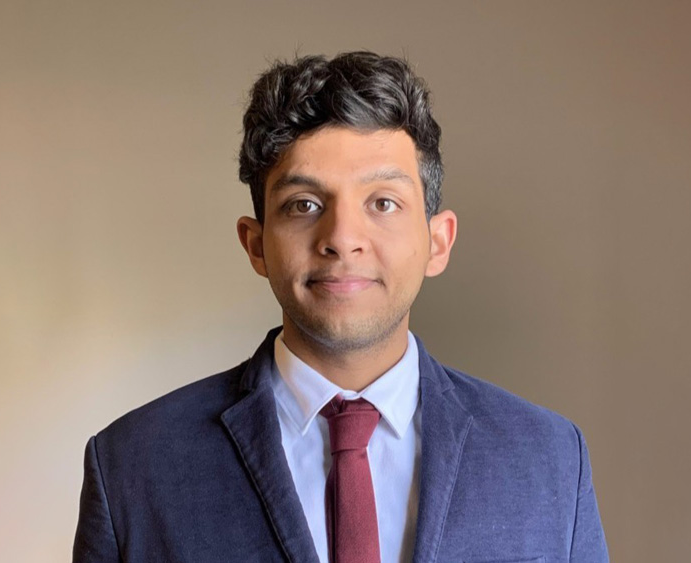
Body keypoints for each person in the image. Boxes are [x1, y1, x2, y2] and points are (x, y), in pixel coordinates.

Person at [73, 51, 609, 563]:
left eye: (383, 202)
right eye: (304, 205)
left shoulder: (549, 457)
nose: (343, 238)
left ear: (438, 242)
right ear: (256, 245)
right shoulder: (133, 464)